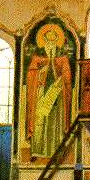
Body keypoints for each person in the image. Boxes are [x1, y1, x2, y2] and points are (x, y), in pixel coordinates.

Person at [25, 24, 72, 159]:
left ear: (57, 41)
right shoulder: (38, 56)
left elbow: (67, 74)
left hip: (56, 95)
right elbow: (31, 73)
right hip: (40, 93)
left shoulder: (61, 56)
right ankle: (37, 150)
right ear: (44, 40)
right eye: (48, 40)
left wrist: (61, 79)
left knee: (54, 122)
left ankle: (54, 151)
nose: (51, 43)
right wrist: (40, 72)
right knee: (39, 120)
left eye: (53, 41)